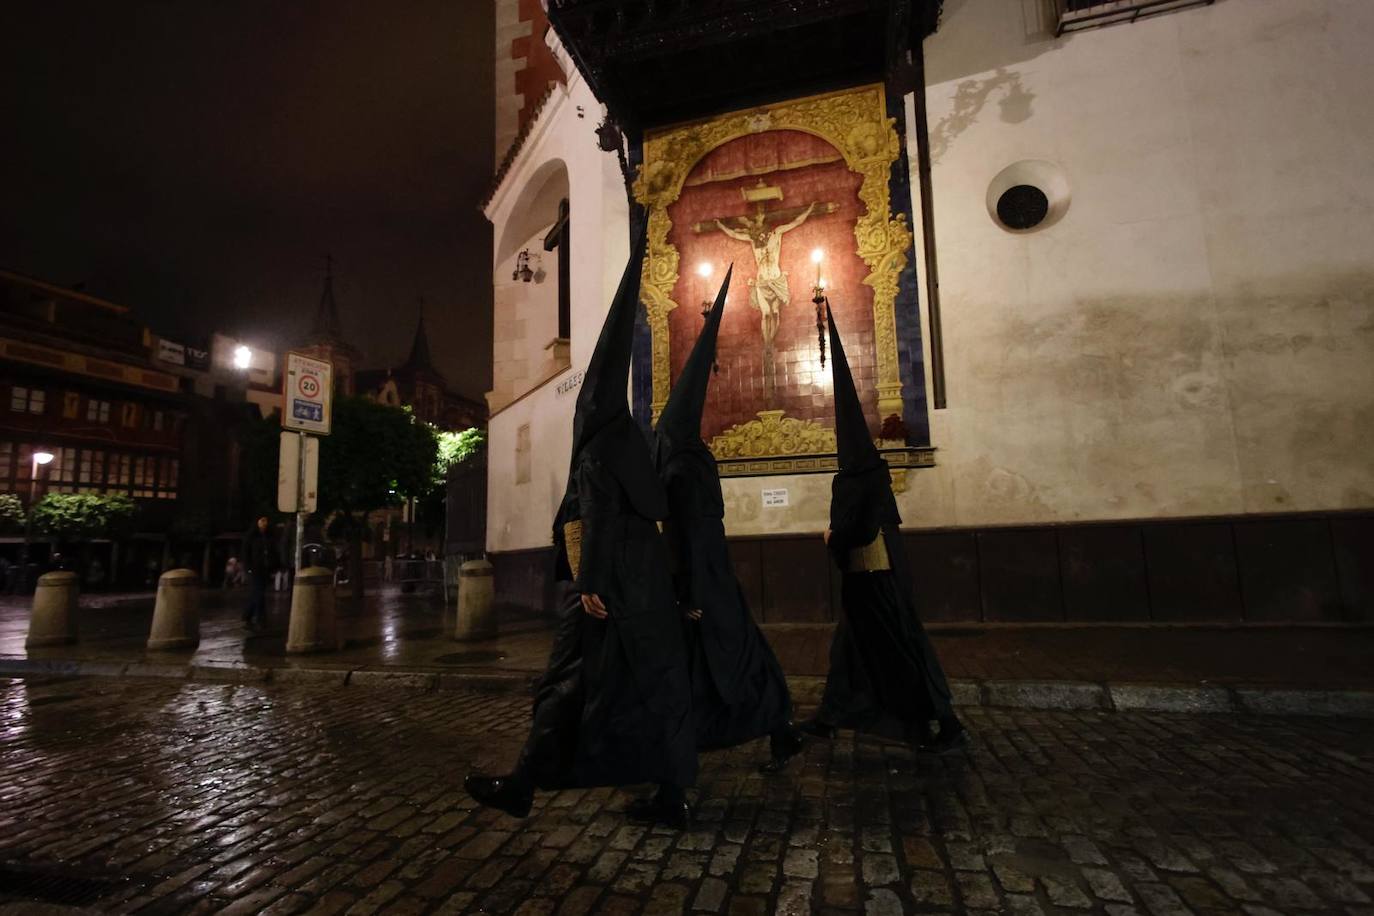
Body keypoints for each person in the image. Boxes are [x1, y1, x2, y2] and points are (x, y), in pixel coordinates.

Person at [465, 228, 698, 828]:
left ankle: (527, 782)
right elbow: (652, 509)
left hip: (604, 589)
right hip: (642, 583)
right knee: (649, 683)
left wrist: (588, 580)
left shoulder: (598, 451)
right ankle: (665, 789)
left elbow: (594, 514)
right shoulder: (636, 444)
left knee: (568, 683)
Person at [652, 265, 803, 774]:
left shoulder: (679, 467)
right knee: (738, 649)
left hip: (700, 577)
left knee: (720, 657)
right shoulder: (696, 459)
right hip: (712, 572)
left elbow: (689, 530)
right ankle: (775, 725)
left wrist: (688, 592)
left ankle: (694, 744)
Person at [804, 305, 967, 754]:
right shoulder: (870, 474)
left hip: (874, 581)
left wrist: (831, 539)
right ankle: (830, 717)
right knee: (850, 651)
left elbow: (856, 530)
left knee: (899, 649)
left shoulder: (858, 479)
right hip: (873, 579)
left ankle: (943, 723)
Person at [242, 516, 279, 631]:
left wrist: (274, 566)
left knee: (257, 593)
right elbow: (245, 553)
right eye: (262, 520)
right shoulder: (251, 536)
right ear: (257, 522)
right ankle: (260, 618)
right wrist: (248, 567)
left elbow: (274, 552)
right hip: (255, 569)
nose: (264, 523)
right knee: (259, 594)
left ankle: (247, 615)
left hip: (265, 569)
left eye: (266, 520)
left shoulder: (270, 536)